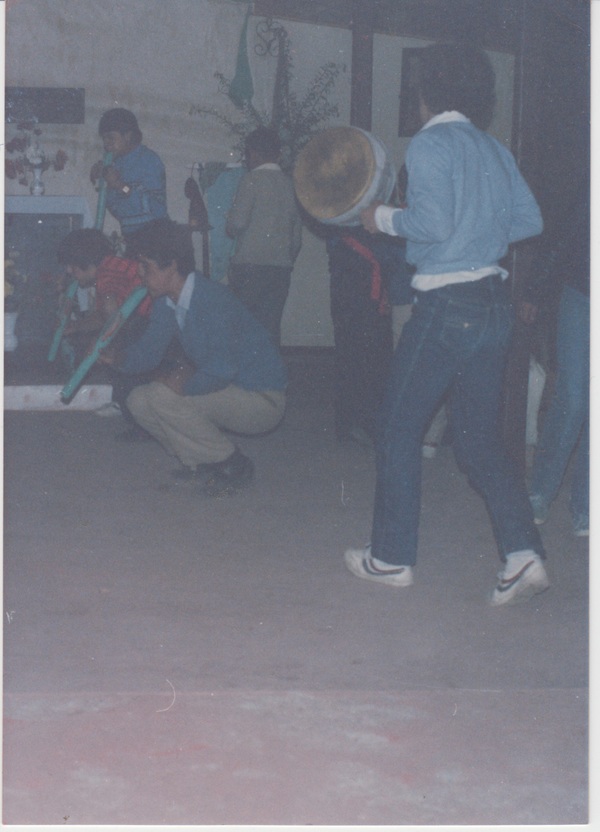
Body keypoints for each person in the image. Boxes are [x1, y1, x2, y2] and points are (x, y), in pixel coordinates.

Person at [344, 43, 548, 606]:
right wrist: (479, 234)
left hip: (446, 305)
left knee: (397, 428)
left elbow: (430, 224)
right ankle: (522, 550)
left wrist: (379, 217)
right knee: (480, 441)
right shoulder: (493, 147)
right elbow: (529, 219)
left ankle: (390, 558)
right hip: (493, 304)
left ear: (426, 95)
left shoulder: (432, 142)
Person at [103, 219, 287, 497]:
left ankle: (232, 463)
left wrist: (183, 386)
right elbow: (148, 353)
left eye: (146, 267)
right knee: (138, 401)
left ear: (173, 265)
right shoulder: (167, 301)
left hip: (262, 399)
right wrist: (118, 359)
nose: (140, 275)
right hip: (230, 388)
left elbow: (222, 369)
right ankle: (201, 463)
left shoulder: (212, 299)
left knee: (161, 396)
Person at [528, 187, 589, 536]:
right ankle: (540, 491)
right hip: (582, 295)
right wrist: (535, 289)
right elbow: (563, 238)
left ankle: (585, 505)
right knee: (574, 398)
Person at [56, 227, 155, 437]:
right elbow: (104, 315)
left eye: (71, 267)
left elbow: (111, 309)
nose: (69, 272)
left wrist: (107, 341)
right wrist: (77, 326)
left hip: (146, 322)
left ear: (84, 262)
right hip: (142, 321)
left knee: (123, 367)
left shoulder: (106, 276)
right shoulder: (112, 265)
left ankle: (142, 424)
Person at [327, 227, 405, 445]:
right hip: (359, 266)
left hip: (358, 262)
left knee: (360, 354)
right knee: (363, 354)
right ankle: (359, 424)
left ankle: (354, 424)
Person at [226, 127, 303, 347]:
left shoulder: (251, 180)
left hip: (249, 265)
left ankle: (244, 379)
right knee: (270, 327)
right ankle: (270, 378)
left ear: (252, 153)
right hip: (280, 267)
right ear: (278, 154)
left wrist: (230, 223)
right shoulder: (291, 184)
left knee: (243, 326)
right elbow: (296, 237)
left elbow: (237, 224)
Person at [90, 108, 168, 242]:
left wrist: (119, 185)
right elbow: (117, 208)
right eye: (104, 138)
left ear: (128, 136)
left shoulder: (148, 160)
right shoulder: (116, 163)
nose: (106, 144)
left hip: (156, 237)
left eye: (111, 137)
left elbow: (153, 206)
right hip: (131, 237)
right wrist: (103, 180)